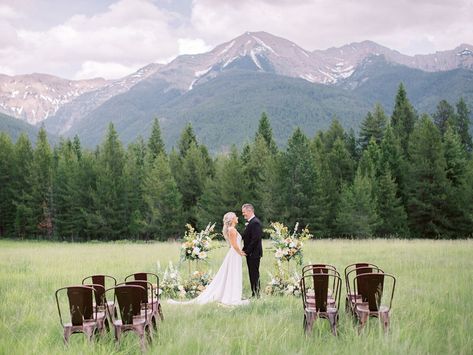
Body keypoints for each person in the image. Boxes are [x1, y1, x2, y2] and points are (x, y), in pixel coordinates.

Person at [168, 212, 249, 306]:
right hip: (234, 254)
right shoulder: (232, 230)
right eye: (236, 217)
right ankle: (231, 296)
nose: (237, 218)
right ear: (232, 219)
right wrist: (240, 252)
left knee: (233, 273)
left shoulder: (232, 229)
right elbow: (234, 244)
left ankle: (232, 294)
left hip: (235, 254)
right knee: (232, 273)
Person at [241, 203, 263, 298]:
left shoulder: (255, 223)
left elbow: (255, 239)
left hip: (254, 254)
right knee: (252, 273)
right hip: (250, 253)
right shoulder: (251, 222)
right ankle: (254, 293)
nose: (243, 214)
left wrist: (247, 251)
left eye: (244, 212)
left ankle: (256, 294)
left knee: (254, 274)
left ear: (250, 211)